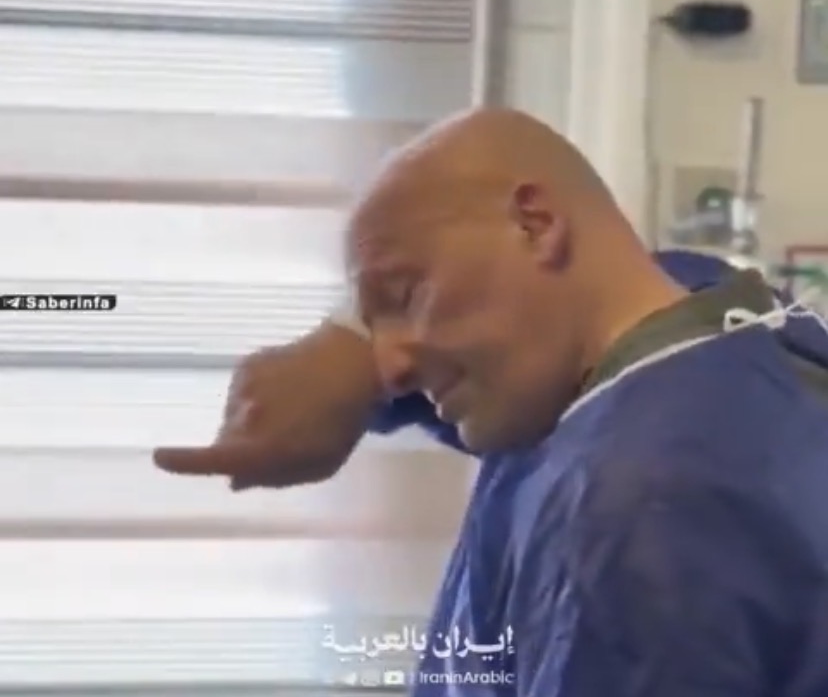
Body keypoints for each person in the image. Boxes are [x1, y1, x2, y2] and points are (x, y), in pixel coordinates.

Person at [155, 109, 828, 695]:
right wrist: (345, 345)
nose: (389, 365)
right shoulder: (721, 318)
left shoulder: (633, 510)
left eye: (406, 294)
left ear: (535, 224)